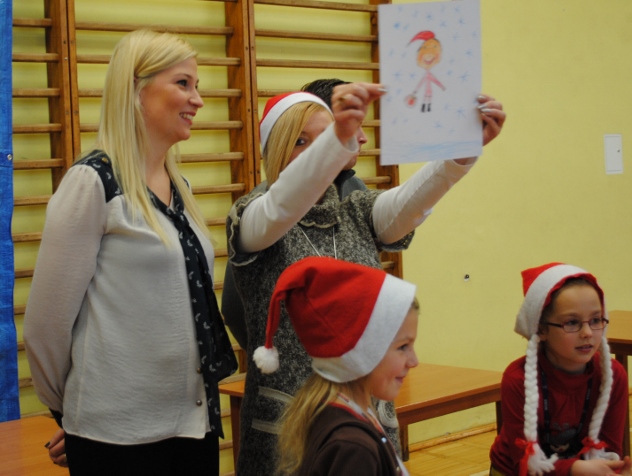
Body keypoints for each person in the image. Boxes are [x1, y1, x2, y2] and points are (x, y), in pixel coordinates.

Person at [226, 82, 506, 475]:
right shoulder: (252, 217)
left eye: (326, 137)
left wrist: (460, 151)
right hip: (287, 429)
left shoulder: (354, 212)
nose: (320, 149)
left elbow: (410, 202)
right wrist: (335, 141)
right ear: (276, 151)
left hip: (363, 423)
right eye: (302, 141)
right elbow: (281, 206)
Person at [23, 29, 237, 475]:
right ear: (137, 90)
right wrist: (74, 414)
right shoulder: (92, 182)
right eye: (183, 83)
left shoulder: (181, 187)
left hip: (191, 424)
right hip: (116, 437)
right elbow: (46, 325)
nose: (198, 100)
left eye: (197, 85)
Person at [221, 78, 367, 350]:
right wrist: (276, 356)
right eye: (302, 141)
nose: (359, 137)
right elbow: (234, 306)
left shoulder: (355, 191)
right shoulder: (262, 212)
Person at [253, 256, 418, 476]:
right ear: (364, 350)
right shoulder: (353, 448)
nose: (414, 361)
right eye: (403, 347)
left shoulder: (339, 415)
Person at [489, 263, 630, 476]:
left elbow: (608, 450)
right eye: (571, 323)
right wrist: (574, 469)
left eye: (595, 320)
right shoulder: (517, 378)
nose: (587, 332)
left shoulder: (613, 375)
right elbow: (524, 465)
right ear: (541, 329)